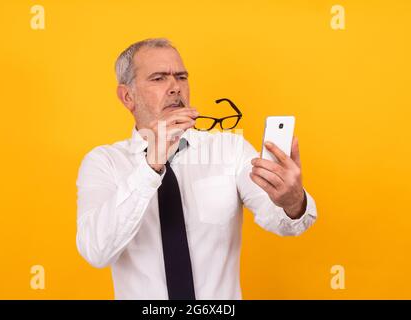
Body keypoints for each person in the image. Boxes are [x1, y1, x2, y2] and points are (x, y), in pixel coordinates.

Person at [76, 38, 317, 300]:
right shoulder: (104, 163)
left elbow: (284, 223)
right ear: (127, 97)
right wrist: (152, 163)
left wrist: (293, 202)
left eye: (181, 77)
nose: (175, 88)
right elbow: (96, 251)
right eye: (158, 78)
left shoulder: (230, 149)